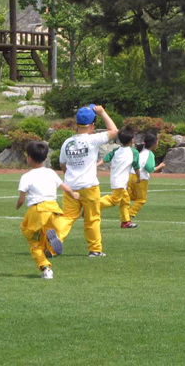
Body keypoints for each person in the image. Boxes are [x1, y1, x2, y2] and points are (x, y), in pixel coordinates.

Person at [54, 104, 118, 257]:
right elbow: (114, 131)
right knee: (92, 219)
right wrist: (102, 113)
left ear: (76, 124)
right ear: (92, 125)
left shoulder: (67, 143)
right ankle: (95, 250)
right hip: (89, 185)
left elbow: (63, 164)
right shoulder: (92, 140)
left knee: (68, 216)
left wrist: (70, 176)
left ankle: (55, 238)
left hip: (70, 185)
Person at [16, 141, 80, 280]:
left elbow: (21, 199)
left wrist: (17, 206)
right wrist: (74, 194)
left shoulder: (26, 176)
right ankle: (51, 245)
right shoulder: (51, 172)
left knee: (34, 243)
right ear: (45, 158)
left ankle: (46, 268)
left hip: (37, 211)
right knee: (55, 229)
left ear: (29, 158)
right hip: (53, 208)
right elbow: (65, 187)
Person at [98, 127, 140, 228]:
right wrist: (139, 178)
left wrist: (95, 165)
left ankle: (125, 221)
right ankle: (92, 207)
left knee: (125, 200)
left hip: (115, 179)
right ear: (131, 140)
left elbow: (105, 159)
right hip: (120, 182)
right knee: (115, 200)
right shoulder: (134, 152)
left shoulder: (116, 150)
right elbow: (136, 167)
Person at [127, 132, 166, 219]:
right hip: (141, 178)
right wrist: (160, 166)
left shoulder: (141, 151)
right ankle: (130, 214)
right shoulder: (149, 154)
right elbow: (150, 169)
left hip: (131, 175)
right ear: (155, 143)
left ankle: (123, 207)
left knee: (131, 196)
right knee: (141, 199)